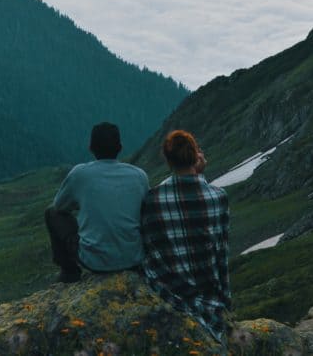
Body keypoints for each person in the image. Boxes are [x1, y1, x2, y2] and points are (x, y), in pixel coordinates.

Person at [141, 130, 231, 342]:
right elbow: (222, 256)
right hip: (211, 303)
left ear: (168, 160)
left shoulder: (152, 200)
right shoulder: (218, 197)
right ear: (196, 156)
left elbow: (148, 251)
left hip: (172, 299)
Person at [45, 122, 149, 283]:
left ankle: (69, 272)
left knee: (52, 213)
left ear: (91, 148)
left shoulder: (80, 174)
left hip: (95, 262)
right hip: (134, 259)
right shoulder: (139, 175)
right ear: (120, 147)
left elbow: (60, 206)